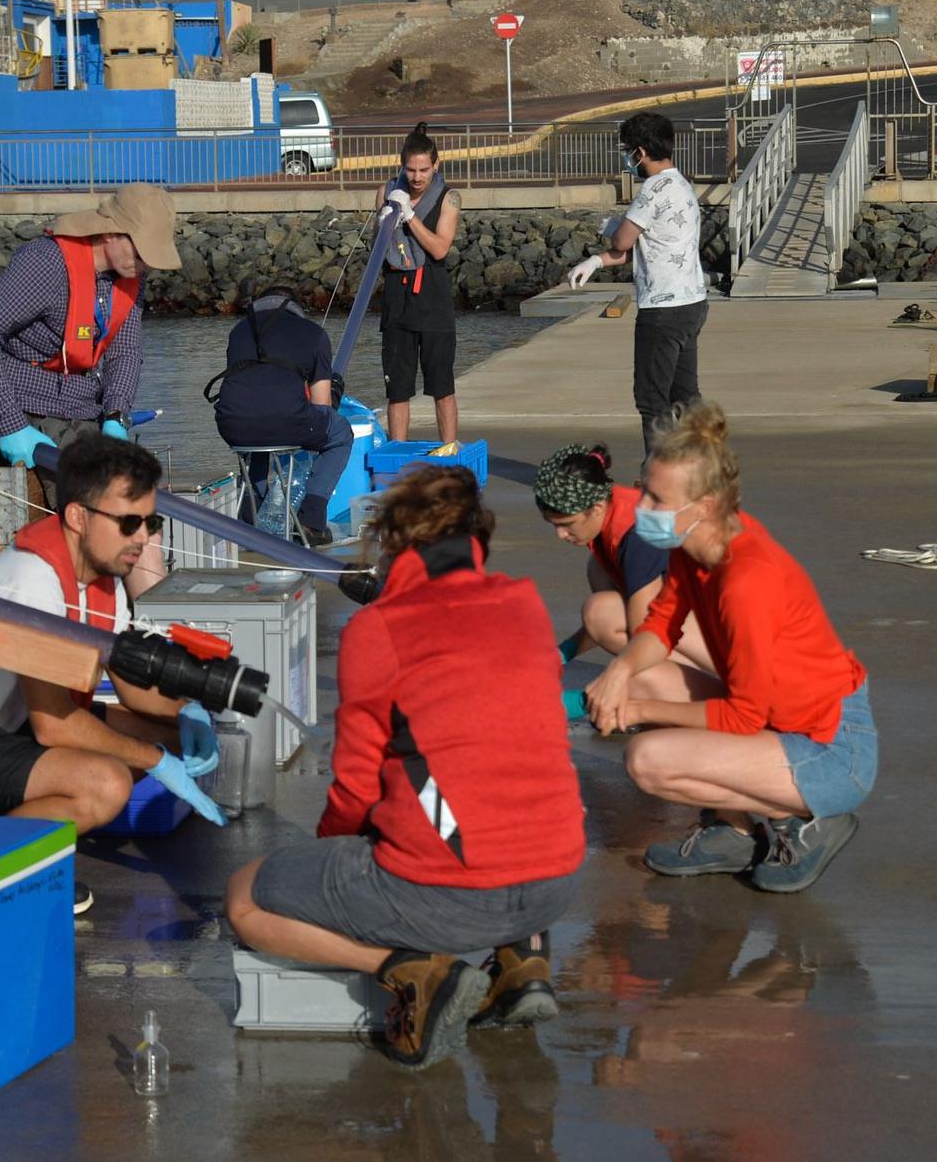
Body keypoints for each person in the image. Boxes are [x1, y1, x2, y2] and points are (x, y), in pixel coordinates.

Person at [225, 465, 585, 1068]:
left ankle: (414, 972)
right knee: (498, 780)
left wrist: (335, 864)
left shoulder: (380, 628)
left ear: (392, 546)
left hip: (454, 895)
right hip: (558, 880)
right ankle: (523, 965)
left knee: (244, 899)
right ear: (479, 539)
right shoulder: (524, 605)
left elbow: (355, 785)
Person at [0, 435, 226, 855]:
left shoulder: (102, 578)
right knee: (107, 783)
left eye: (151, 523)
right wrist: (154, 761)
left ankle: (39, 825)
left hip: (2, 730)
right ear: (78, 516)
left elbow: (128, 684)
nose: (143, 539)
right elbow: (54, 724)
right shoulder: (30, 582)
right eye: (129, 523)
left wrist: (186, 711)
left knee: (170, 734)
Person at [584, 401, 875, 894]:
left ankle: (801, 821)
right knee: (645, 672)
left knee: (648, 759)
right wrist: (619, 674)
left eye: (655, 499)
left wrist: (633, 709)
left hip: (831, 748)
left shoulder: (746, 581)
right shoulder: (694, 545)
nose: (640, 509)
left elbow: (742, 716)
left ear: (703, 505)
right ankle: (734, 832)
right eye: (643, 492)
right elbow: (661, 624)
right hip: (781, 720)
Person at [0, 183, 179, 466]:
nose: (145, 265)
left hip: (84, 409)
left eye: (152, 259)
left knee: (130, 480)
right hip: (28, 408)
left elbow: (125, 350)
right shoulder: (45, 263)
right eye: (141, 254)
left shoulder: (130, 276)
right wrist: (11, 424)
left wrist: (116, 414)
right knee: (98, 492)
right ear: (111, 234)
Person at [566, 112, 709, 453]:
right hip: (691, 304)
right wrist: (597, 261)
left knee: (651, 398)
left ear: (640, 153)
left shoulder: (653, 190)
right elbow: (648, 247)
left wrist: (609, 230)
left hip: (661, 310)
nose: (628, 159)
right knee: (685, 395)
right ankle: (703, 466)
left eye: (629, 151)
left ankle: (659, 477)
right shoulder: (682, 185)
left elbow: (623, 242)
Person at [536, 442, 715, 674]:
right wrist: (562, 653)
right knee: (598, 573)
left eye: (567, 524)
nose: (561, 534)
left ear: (597, 508)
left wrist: (590, 697)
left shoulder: (637, 537)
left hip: (729, 632)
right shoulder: (613, 513)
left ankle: (724, 683)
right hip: (700, 616)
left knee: (600, 613)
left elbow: (643, 636)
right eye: (555, 526)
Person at [208, 281, 354, 547]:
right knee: (341, 433)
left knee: (256, 430)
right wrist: (334, 392)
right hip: (286, 422)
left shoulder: (238, 331)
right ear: (296, 307)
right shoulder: (314, 333)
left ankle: (251, 516)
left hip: (232, 424)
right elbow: (322, 405)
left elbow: (249, 390)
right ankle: (311, 519)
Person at [379, 122, 463, 450]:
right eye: (411, 170)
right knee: (397, 389)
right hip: (397, 300)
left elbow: (440, 248)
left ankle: (449, 447)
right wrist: (386, 216)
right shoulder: (386, 190)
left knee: (441, 386)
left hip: (433, 301)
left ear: (436, 166)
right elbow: (380, 249)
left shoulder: (449, 198)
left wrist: (410, 216)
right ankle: (396, 454)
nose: (416, 177)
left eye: (424, 170)